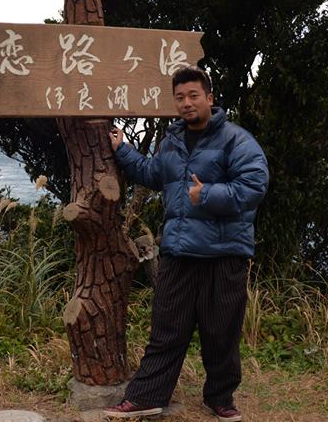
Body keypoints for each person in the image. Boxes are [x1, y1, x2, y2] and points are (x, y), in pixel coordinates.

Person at [103, 66, 269, 421]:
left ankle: (220, 398)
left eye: (194, 96)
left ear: (210, 98)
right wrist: (123, 151)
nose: (186, 103)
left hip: (224, 255)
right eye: (180, 98)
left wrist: (206, 194)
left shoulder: (237, 140)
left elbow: (254, 187)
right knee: (166, 330)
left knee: (221, 332)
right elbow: (152, 175)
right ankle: (146, 397)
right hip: (179, 251)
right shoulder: (172, 142)